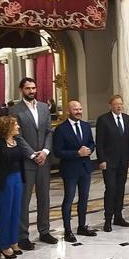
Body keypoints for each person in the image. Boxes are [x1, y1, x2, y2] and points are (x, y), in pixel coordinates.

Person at [9, 77, 57, 250]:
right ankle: (23, 236)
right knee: (24, 200)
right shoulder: (15, 110)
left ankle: (44, 231)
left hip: (44, 160)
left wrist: (45, 151)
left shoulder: (44, 107)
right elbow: (17, 135)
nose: (32, 91)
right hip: (26, 161)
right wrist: (31, 154)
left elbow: (49, 132)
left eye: (34, 88)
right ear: (21, 90)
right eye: (28, 88)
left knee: (44, 197)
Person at [53, 100, 97, 243]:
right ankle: (67, 230)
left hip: (85, 168)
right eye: (75, 109)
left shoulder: (85, 126)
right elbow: (58, 152)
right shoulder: (61, 129)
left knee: (84, 198)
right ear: (68, 111)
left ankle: (82, 226)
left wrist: (90, 150)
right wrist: (77, 153)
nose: (79, 112)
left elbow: (91, 142)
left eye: (80, 109)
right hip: (70, 169)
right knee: (69, 199)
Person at [0, 116, 27, 259]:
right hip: (5, 181)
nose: (18, 127)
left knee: (16, 211)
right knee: (5, 213)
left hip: (18, 179)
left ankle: (14, 241)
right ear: (7, 127)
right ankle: (3, 245)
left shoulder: (16, 142)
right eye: (15, 125)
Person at [96, 95, 129, 232]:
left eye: (121, 104)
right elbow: (99, 143)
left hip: (123, 161)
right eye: (116, 104)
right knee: (111, 189)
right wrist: (102, 160)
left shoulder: (127, 119)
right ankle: (108, 219)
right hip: (109, 162)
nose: (119, 106)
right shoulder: (103, 119)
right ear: (110, 105)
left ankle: (119, 216)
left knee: (121, 189)